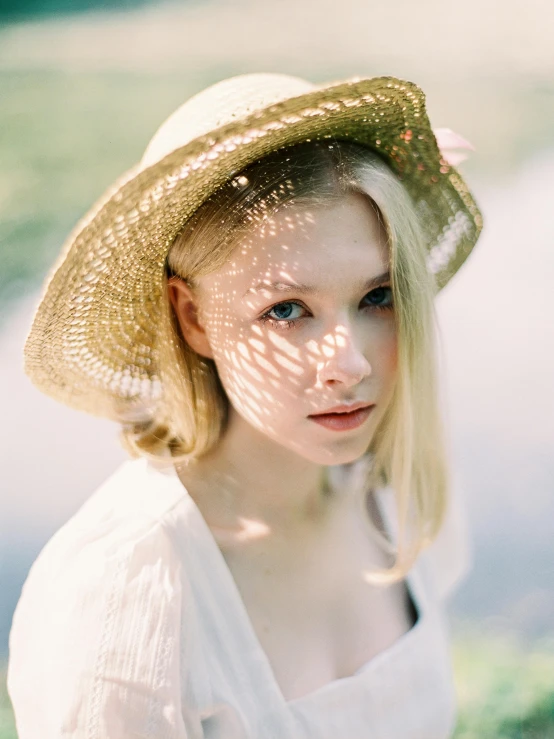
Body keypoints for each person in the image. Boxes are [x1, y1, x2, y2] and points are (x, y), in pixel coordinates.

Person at [7, 73, 482, 738]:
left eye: (377, 296)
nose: (351, 363)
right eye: (287, 309)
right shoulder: (126, 595)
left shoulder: (396, 489)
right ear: (193, 316)